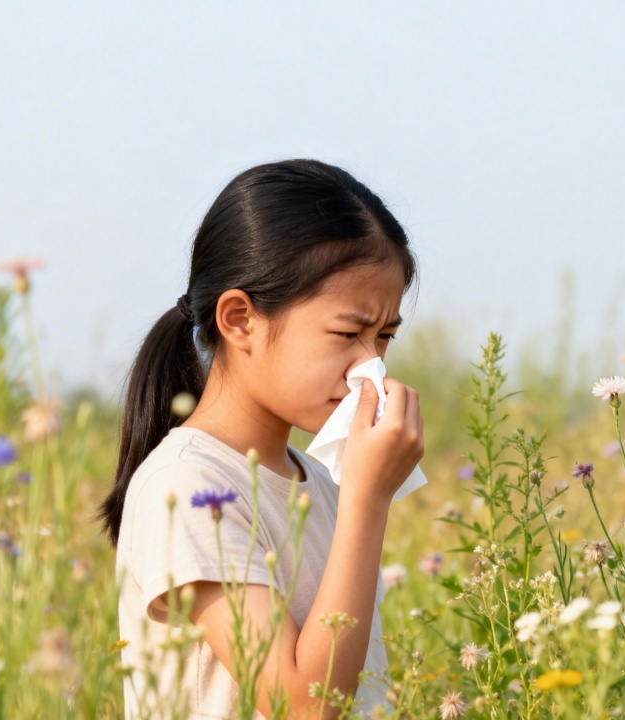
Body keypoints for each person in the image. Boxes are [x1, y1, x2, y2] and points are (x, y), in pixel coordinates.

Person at [97, 159, 424, 719]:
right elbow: (303, 707)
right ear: (240, 319)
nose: (368, 365)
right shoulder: (190, 486)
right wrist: (367, 502)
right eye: (348, 333)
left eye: (384, 336)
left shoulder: (318, 481)